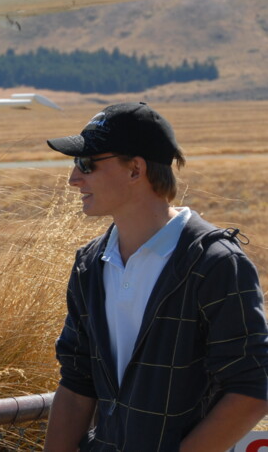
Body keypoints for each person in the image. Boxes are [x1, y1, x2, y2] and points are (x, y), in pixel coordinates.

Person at [42, 102, 268, 451]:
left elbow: (252, 388)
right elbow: (76, 383)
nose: (74, 178)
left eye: (87, 164)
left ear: (136, 169)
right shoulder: (90, 263)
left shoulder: (216, 264)